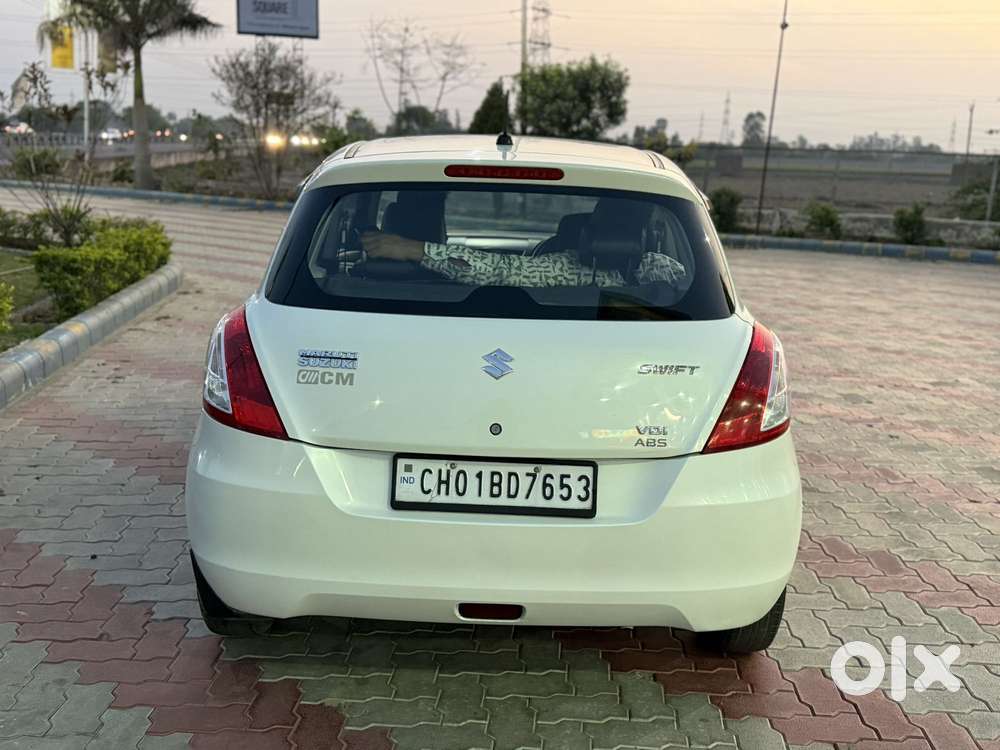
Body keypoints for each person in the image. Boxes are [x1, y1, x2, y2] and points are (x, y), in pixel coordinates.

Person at [360, 198, 687, 288]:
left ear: (591, 228)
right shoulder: (671, 273)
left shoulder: (567, 268)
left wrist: (410, 248)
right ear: (647, 234)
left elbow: (501, 270)